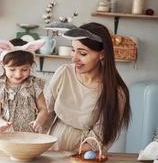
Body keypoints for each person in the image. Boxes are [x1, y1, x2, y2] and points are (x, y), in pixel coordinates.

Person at [45, 22, 131, 152]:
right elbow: (46, 112)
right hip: (51, 148)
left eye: (83, 53)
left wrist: (71, 156)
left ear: (101, 54)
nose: (74, 59)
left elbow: (100, 138)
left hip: (85, 157)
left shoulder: (115, 93)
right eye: (73, 50)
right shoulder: (64, 73)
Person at [0, 38, 49, 133]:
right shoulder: (0, 88)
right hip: (7, 136)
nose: (18, 75)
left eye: (24, 69)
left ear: (31, 66)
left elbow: (43, 109)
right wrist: (1, 123)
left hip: (30, 136)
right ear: (3, 65)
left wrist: (39, 121)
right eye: (12, 69)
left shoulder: (35, 85)